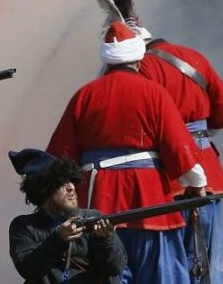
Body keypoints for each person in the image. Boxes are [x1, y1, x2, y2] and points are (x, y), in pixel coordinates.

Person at [46, 21, 208, 284]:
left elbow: (59, 159)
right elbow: (178, 148)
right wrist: (197, 186)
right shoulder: (154, 93)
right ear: (136, 59)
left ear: (108, 62)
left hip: (98, 203)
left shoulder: (84, 95)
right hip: (151, 203)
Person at [107, 0, 223, 283]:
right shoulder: (195, 58)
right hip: (209, 173)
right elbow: (219, 115)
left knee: (174, 268)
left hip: (167, 179)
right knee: (211, 263)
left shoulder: (140, 70)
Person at [8, 148, 126, 283]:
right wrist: (59, 239)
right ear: (44, 187)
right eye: (61, 182)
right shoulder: (24, 226)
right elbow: (29, 270)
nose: (71, 187)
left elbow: (115, 267)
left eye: (71, 181)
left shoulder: (94, 217)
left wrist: (105, 239)